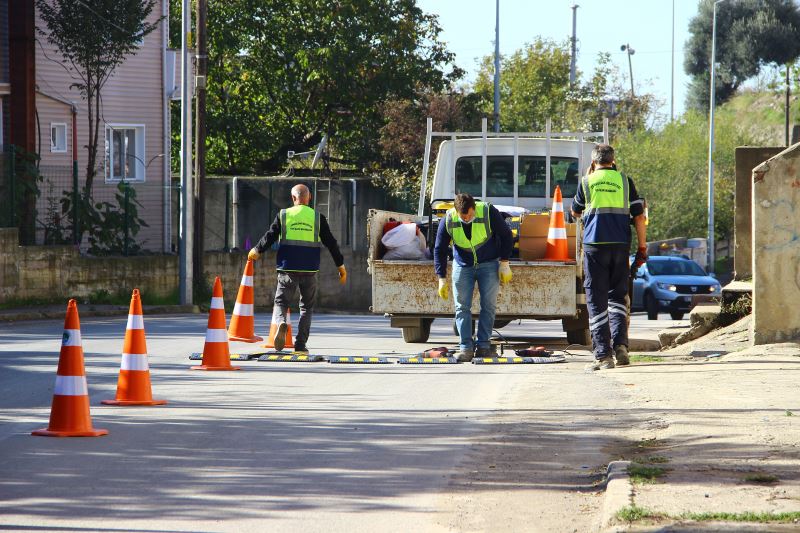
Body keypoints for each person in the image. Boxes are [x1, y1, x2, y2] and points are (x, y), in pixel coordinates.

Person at [570, 144, 647, 371]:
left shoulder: (587, 182)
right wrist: (642, 249)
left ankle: (603, 356)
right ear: (613, 161)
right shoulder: (625, 181)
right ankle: (621, 346)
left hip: (594, 248)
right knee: (617, 298)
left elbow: (575, 212)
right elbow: (639, 218)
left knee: (596, 300)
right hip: (620, 247)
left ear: (593, 162)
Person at [248, 184, 346, 353]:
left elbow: (270, 236)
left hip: (287, 268)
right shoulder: (317, 217)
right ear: (309, 198)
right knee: (306, 307)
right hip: (309, 270)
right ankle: (300, 344)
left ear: (293, 198)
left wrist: (257, 250)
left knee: (281, 302)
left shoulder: (284, 215)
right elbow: (331, 243)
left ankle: (281, 323)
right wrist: (340, 265)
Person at [434, 193, 514, 362]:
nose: (467, 218)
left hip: (489, 264)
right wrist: (441, 277)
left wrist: (505, 262)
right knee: (462, 308)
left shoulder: (487, 211)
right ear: (456, 211)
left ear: (474, 208)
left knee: (488, 306)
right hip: (463, 266)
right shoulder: (449, 219)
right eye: (464, 216)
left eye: (470, 214)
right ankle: (465, 348)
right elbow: (439, 249)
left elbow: (507, 235)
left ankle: (484, 346)